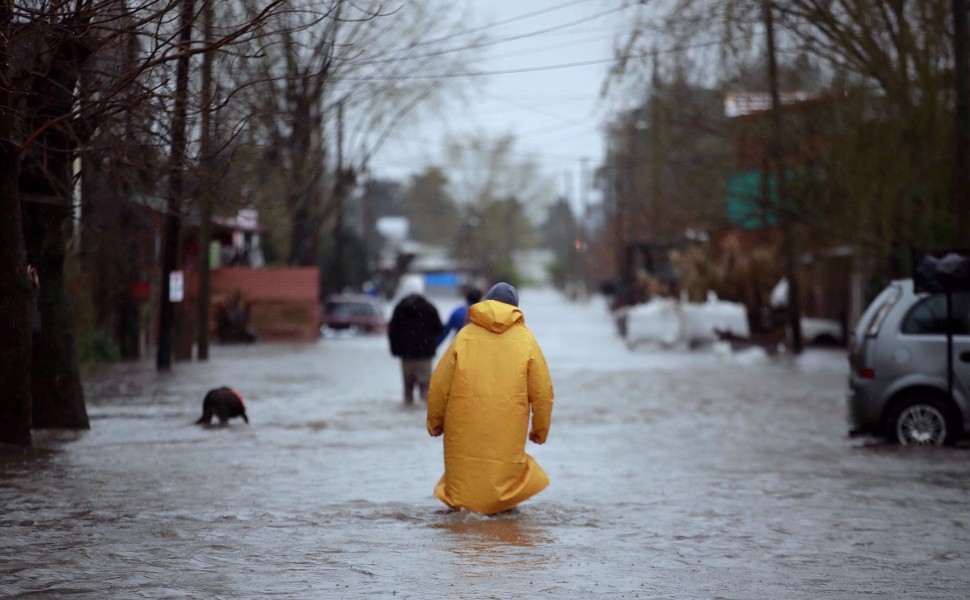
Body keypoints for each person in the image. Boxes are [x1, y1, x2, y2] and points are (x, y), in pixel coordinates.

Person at [426, 282, 554, 515]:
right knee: (504, 481)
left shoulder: (464, 336)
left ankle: (461, 527)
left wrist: (435, 422)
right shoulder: (526, 341)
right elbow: (543, 392)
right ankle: (500, 520)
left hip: (464, 423)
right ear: (515, 308)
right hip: (508, 424)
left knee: (464, 482)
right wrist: (540, 429)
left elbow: (438, 385)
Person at [388, 277, 443, 404]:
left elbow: (392, 331)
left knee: (408, 390)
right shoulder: (430, 308)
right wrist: (432, 345)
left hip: (406, 356)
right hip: (425, 356)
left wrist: (396, 350)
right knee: (425, 392)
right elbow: (439, 329)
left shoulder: (400, 308)